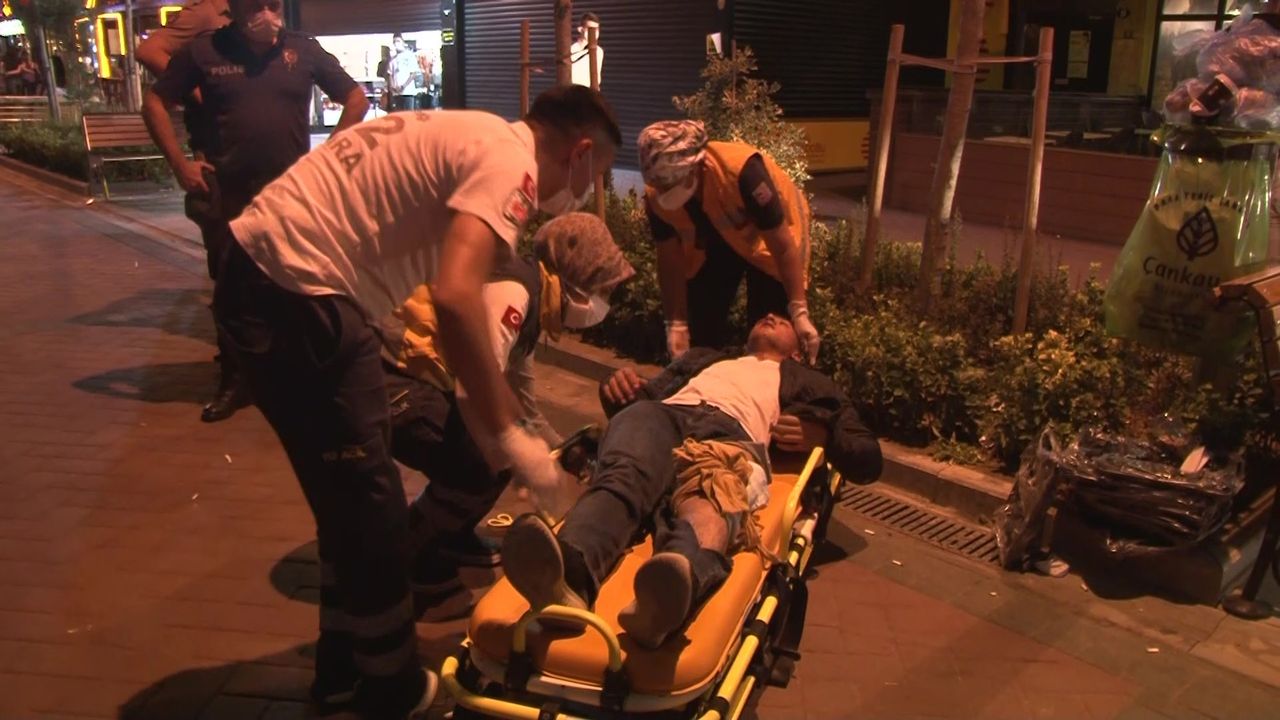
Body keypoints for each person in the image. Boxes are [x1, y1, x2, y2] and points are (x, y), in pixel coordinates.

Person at [212, 85, 621, 717]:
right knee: (372, 512)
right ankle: (391, 687)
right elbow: (457, 299)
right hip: (300, 292)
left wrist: (510, 431)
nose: (581, 192)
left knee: (350, 505)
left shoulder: (475, 132)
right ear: (580, 152)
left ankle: (342, 672)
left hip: (273, 279)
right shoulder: (509, 162)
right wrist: (512, 440)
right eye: (591, 177)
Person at [501, 314, 882, 649]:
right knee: (623, 477)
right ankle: (569, 580)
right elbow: (642, 397)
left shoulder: (813, 383)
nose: (771, 316)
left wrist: (823, 435)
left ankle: (667, 595)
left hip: (730, 436)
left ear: (797, 353)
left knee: (711, 498)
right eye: (768, 316)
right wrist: (615, 390)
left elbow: (867, 458)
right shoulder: (705, 359)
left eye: (783, 321)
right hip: (662, 416)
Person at [384, 212, 634, 608]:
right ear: (575, 278)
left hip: (416, 379)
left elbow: (526, 407)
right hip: (393, 382)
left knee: (497, 450)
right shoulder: (514, 294)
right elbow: (473, 386)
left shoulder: (531, 303)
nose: (602, 304)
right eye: (601, 289)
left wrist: (561, 454)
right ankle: (409, 564)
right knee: (481, 461)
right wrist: (517, 455)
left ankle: (452, 535)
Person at [142, 0, 369, 423]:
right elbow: (155, 102)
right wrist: (179, 165)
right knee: (233, 292)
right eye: (255, 3)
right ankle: (236, 377)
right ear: (234, 6)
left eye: (273, 3)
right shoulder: (204, 52)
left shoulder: (304, 50)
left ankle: (293, 376)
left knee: (294, 285)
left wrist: (328, 156)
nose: (266, 11)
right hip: (228, 193)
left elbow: (355, 98)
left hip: (290, 196)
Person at [637, 120, 820, 363]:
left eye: (674, 183)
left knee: (768, 334)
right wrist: (676, 324)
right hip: (718, 240)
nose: (668, 191)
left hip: (770, 244)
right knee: (702, 324)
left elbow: (783, 247)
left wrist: (799, 311)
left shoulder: (743, 173)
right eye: (663, 186)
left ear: (697, 166)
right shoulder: (657, 198)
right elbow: (670, 261)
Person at [137, 0, 233, 420]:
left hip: (264, 171)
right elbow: (149, 51)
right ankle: (235, 371)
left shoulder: (261, 20)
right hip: (217, 165)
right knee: (228, 271)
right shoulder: (206, 12)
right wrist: (195, 88)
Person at [570, 12, 603, 89]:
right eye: (590, 29)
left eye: (597, 29)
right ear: (581, 29)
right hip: (575, 91)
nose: (595, 33)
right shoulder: (572, 50)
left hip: (592, 91)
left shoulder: (599, 51)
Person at [388, 33, 419, 111]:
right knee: (399, 115)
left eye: (398, 41)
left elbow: (413, 73)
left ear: (403, 42)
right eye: (394, 41)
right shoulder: (393, 59)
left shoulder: (409, 55)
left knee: (408, 115)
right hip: (396, 93)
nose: (396, 43)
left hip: (408, 92)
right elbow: (390, 74)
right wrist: (393, 86)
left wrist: (403, 86)